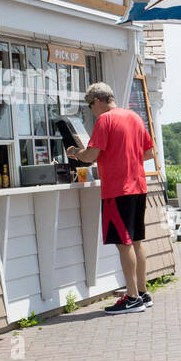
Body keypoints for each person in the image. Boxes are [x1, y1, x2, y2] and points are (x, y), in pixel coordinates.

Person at [67, 82, 157, 314]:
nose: (91, 110)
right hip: (138, 186)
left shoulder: (104, 120)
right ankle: (143, 292)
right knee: (136, 241)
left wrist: (74, 152)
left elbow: (90, 155)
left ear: (97, 101)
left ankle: (132, 297)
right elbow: (149, 152)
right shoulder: (135, 117)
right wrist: (125, 156)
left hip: (118, 189)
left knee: (123, 243)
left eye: (90, 106)